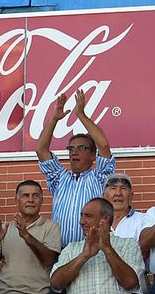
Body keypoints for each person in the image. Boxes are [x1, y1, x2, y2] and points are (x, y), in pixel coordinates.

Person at [37, 90, 116, 246]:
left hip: (91, 251)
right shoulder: (59, 177)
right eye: (71, 148)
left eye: (81, 148)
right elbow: (41, 150)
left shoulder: (99, 177)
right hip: (60, 255)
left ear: (93, 155)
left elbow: (104, 145)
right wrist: (54, 119)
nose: (74, 152)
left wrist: (80, 114)